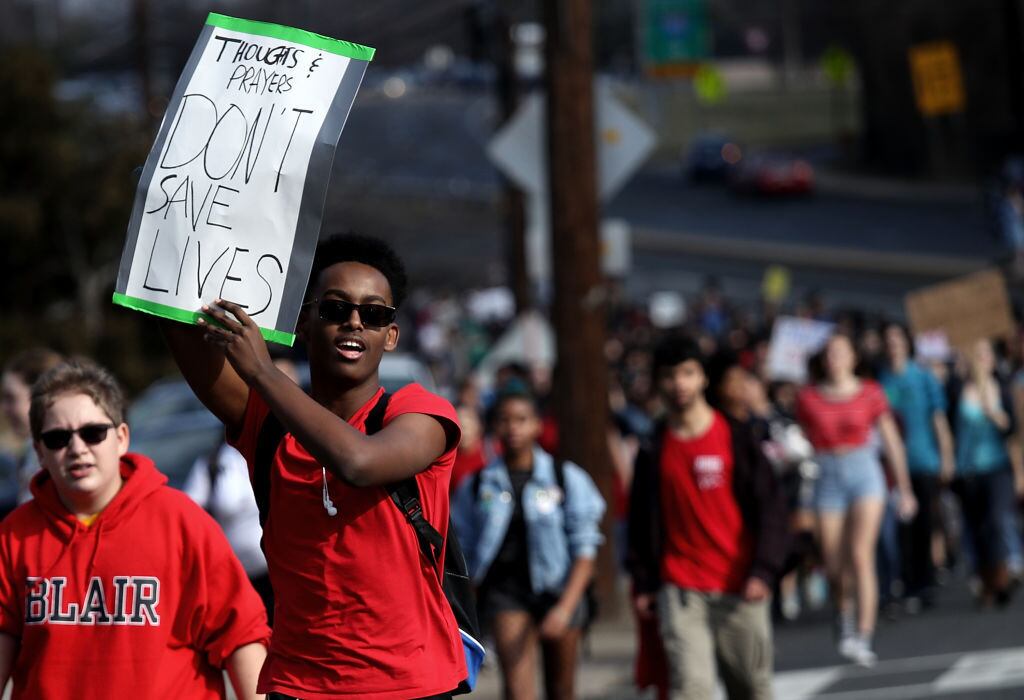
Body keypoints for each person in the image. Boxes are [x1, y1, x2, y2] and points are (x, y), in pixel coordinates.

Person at [163, 233, 468, 699]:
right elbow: (180, 324)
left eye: (374, 314)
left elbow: (360, 463)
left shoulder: (420, 412)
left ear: (391, 336)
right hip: (299, 685)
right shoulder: (267, 424)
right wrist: (172, 230)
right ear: (303, 323)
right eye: (334, 309)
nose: (353, 323)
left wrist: (263, 373)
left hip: (412, 686)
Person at [0, 359, 269, 699]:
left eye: (93, 432)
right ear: (39, 451)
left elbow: (242, 637)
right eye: (57, 438)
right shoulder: (14, 534)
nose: (77, 448)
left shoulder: (180, 520)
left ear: (122, 437)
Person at [628, 336, 788, 700]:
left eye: (688, 373)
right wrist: (643, 582)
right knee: (691, 689)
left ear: (703, 378)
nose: (679, 383)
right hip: (681, 589)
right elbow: (639, 523)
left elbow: (771, 509)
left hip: (741, 585)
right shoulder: (653, 447)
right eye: (669, 376)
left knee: (751, 689)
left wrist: (764, 570)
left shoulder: (736, 437)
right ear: (659, 382)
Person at [452, 389, 605, 700]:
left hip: (560, 590)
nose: (513, 428)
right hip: (505, 592)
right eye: (504, 420)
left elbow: (586, 548)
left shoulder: (566, 477)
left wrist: (565, 608)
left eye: (521, 420)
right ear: (493, 426)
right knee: (518, 689)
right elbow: (461, 547)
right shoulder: (478, 484)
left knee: (562, 688)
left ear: (537, 425)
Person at [796, 334, 916, 667]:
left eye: (841, 352)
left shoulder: (870, 392)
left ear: (853, 357)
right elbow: (801, 437)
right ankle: (843, 613)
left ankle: (863, 635)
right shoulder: (808, 397)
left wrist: (904, 488)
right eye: (830, 353)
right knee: (834, 564)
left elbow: (890, 439)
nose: (835, 358)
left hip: (864, 470)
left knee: (862, 556)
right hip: (827, 473)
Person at [878, 323, 955, 610]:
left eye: (898, 339)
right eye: (889, 340)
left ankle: (924, 583)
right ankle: (906, 582)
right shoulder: (882, 380)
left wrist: (946, 457)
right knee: (900, 529)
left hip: (923, 461)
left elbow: (938, 419)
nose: (893, 344)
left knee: (925, 525)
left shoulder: (922, 376)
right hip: (892, 468)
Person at [948, 339, 1021, 606]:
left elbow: (1011, 429)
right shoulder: (956, 389)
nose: (979, 360)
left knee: (996, 520)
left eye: (983, 355)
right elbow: (947, 426)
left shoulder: (1000, 389)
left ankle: (1003, 575)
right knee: (974, 527)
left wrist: (992, 410)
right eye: (974, 355)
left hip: (996, 466)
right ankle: (984, 581)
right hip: (967, 469)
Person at [0, 348, 63, 513]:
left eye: (11, 398)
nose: (4, 408)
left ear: (40, 398)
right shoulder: (32, 453)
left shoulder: (56, 460)